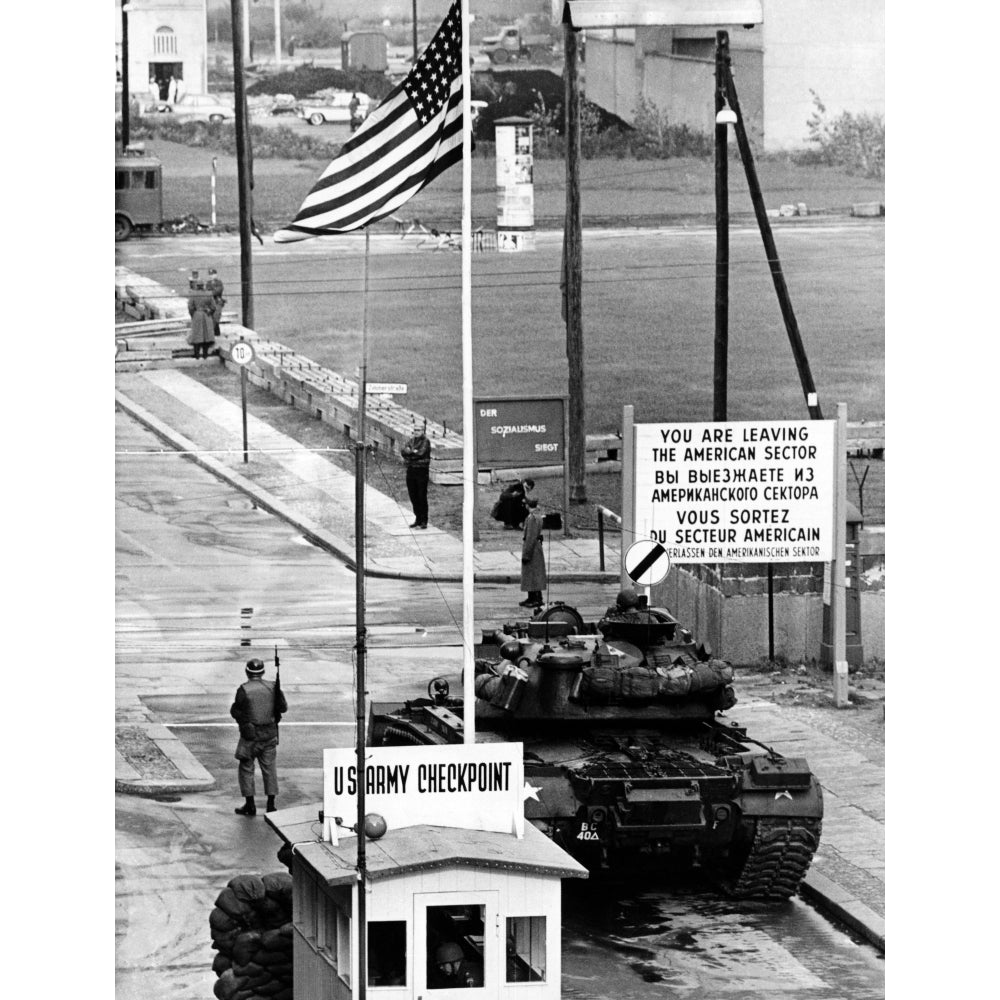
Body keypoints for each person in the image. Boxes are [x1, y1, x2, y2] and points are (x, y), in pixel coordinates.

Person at [230, 657, 287, 816]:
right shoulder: (273, 687)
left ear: (247, 672)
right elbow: (283, 708)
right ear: (262, 672)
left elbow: (236, 710)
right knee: (269, 769)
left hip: (250, 737)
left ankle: (250, 804)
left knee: (246, 768)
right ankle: (271, 805)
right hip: (269, 735)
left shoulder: (244, 689)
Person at [401, 426, 431, 529]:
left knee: (421, 495)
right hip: (411, 470)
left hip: (421, 470)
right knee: (413, 495)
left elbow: (421, 453)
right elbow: (403, 451)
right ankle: (417, 518)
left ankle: (424, 520)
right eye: (415, 430)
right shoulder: (411, 440)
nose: (416, 432)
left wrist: (410, 452)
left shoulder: (425, 441)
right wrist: (412, 452)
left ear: (423, 431)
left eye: (418, 430)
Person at [519, 498, 546, 608]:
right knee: (533, 574)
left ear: (527, 505)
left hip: (532, 549)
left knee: (533, 575)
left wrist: (526, 554)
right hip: (535, 548)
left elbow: (530, 537)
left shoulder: (532, 518)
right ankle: (532, 597)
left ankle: (536, 599)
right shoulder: (536, 516)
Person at [186, 279, 217, 359]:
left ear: (197, 286)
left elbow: (190, 307)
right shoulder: (209, 294)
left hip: (197, 315)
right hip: (206, 315)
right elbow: (214, 307)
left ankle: (196, 355)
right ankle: (205, 355)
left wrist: (193, 315)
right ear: (203, 286)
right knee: (206, 336)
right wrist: (209, 311)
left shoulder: (193, 294)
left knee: (196, 336)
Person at [207, 269, 226, 338]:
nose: (211, 276)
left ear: (216, 274)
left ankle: (215, 334)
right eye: (210, 274)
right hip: (210, 303)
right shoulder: (208, 283)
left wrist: (210, 292)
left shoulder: (219, 282)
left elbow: (217, 292)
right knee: (211, 319)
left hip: (217, 302)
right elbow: (207, 291)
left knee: (216, 319)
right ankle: (215, 334)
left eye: (213, 274)